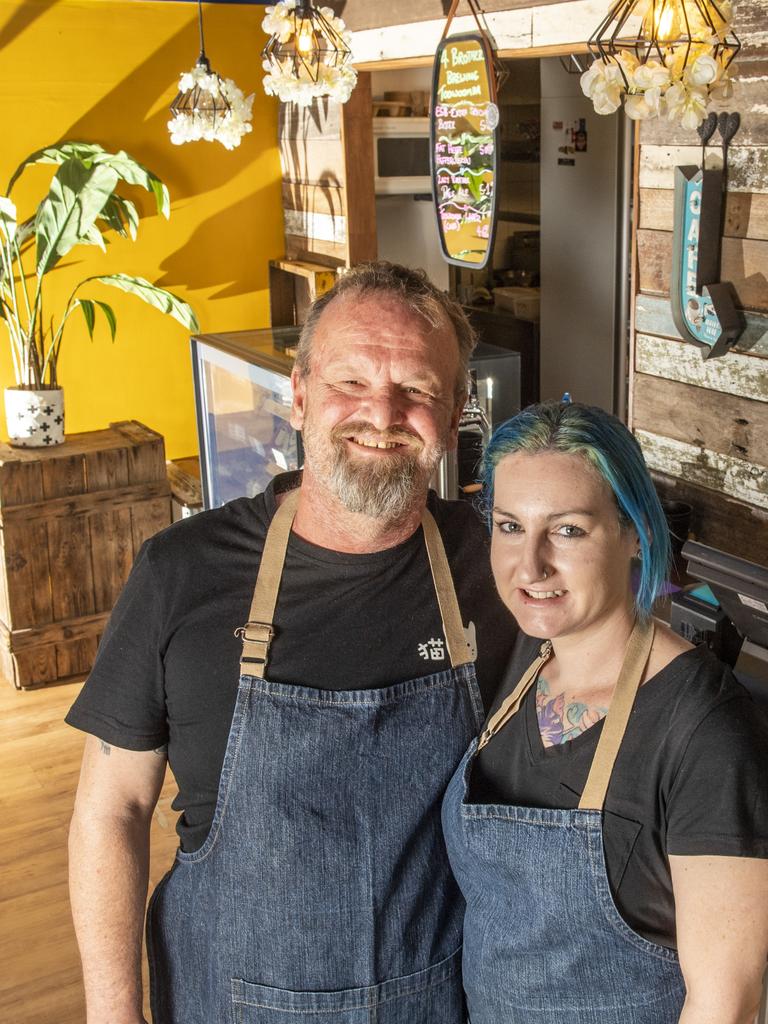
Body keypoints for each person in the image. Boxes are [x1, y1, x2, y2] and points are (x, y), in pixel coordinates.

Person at [67, 261, 516, 1024]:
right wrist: (115, 1017)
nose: (383, 412)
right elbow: (111, 808)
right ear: (300, 393)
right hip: (227, 1002)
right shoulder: (183, 573)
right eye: (351, 383)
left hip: (440, 1000)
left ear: (456, 410)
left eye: (417, 389)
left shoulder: (500, 567)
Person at [442, 400, 768, 1024]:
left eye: (567, 530)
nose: (530, 564)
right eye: (511, 526)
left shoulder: (703, 728)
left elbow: (725, 1006)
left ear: (632, 533)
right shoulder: (517, 669)